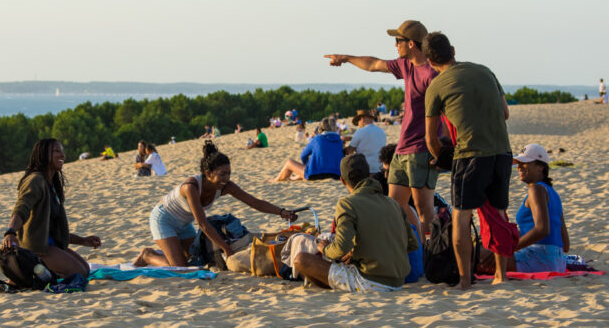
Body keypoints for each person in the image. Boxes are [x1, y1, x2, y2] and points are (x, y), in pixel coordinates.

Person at [324, 19, 443, 239]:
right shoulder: (406, 65)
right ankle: (413, 245)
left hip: (422, 149)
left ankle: (430, 256)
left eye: (399, 40)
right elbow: (374, 64)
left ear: (412, 44)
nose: (395, 44)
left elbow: (445, 113)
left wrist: (438, 148)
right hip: (403, 148)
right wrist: (346, 59)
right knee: (394, 203)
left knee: (424, 207)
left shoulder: (432, 74)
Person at [422, 32, 512, 289]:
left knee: (461, 216)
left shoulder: (436, 87)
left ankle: (464, 280)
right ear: (452, 49)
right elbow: (505, 113)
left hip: (469, 155)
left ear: (429, 60)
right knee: (499, 214)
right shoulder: (485, 71)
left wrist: (445, 159)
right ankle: (500, 275)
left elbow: (431, 139)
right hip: (502, 151)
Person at [134, 140, 296, 267]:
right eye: (222, 174)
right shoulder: (191, 187)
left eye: (229, 173)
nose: (227, 178)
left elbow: (254, 202)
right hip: (164, 220)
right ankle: (148, 255)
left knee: (194, 261)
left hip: (183, 224)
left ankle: (167, 251)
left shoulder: (226, 186)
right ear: (208, 173)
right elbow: (202, 224)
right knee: (180, 267)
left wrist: (282, 212)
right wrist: (226, 249)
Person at [292, 154, 418, 292]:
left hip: (370, 281)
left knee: (301, 259)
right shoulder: (393, 203)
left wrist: (325, 250)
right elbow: (412, 244)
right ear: (369, 174)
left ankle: (332, 286)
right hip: (399, 282)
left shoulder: (347, 204)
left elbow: (340, 248)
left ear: (342, 181)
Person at [1, 138, 101, 278]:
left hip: (49, 244)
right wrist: (10, 232)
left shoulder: (51, 185)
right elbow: (21, 208)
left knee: (85, 270)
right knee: (79, 272)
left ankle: (45, 273)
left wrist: (83, 241)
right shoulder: (35, 180)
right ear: (43, 154)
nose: (62, 155)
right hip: (35, 248)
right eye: (56, 151)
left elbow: (52, 229)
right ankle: (32, 272)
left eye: (62, 151)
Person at [479, 144, 569, 274]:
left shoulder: (536, 190)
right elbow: (565, 244)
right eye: (518, 163)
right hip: (558, 262)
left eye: (525, 163)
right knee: (488, 249)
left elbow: (542, 230)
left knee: (480, 256)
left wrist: (510, 249)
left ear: (540, 167)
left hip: (540, 259)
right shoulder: (553, 194)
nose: (519, 167)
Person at [272, 117, 343, 181]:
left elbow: (303, 155)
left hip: (315, 175)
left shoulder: (317, 139)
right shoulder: (339, 141)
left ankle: (275, 180)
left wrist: (306, 164)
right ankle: (294, 178)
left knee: (289, 163)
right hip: (336, 175)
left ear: (321, 127)